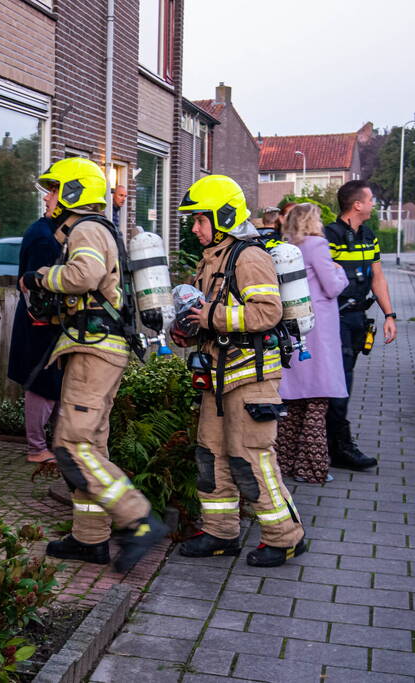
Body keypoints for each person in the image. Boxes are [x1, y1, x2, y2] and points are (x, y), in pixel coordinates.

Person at [20, 158, 167, 572]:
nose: (47, 198)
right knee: (93, 445)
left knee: (71, 444)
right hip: (101, 348)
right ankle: (91, 539)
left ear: (71, 194)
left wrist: (41, 277)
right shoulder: (100, 229)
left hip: (95, 350)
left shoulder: (85, 228)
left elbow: (85, 275)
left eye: (53, 190)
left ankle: (137, 519)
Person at [173, 175, 306, 567]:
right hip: (218, 374)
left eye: (200, 220)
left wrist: (210, 316)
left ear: (224, 216)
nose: (194, 228)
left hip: (252, 378)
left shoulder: (249, 257)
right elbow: (204, 310)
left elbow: (268, 312)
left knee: (251, 457)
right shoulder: (213, 257)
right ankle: (220, 533)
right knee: (210, 455)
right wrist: (186, 329)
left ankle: (286, 537)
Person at [324, 180, 398, 471]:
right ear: (357, 205)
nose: (374, 204)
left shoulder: (369, 235)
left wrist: (390, 315)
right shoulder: (328, 237)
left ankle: (334, 444)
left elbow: (377, 277)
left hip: (357, 318)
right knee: (340, 382)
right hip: (335, 318)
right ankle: (339, 447)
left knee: (346, 380)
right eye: (370, 200)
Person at [275, 204, 349, 484]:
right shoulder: (317, 244)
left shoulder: (286, 246)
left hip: (292, 327)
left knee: (292, 404)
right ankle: (311, 467)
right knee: (318, 401)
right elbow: (332, 286)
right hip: (318, 330)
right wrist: (340, 272)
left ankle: (283, 461)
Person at [7, 200, 64, 464]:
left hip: (40, 320)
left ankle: (49, 444)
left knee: (49, 381)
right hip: (40, 322)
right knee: (42, 381)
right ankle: (37, 447)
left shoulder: (46, 232)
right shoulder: (44, 238)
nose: (46, 197)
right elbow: (38, 288)